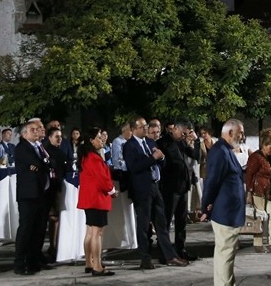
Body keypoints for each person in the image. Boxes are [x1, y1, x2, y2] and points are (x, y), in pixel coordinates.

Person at [199, 118, 250, 286]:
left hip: (226, 209)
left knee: (222, 252)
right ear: (230, 133)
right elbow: (211, 182)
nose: (242, 137)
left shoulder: (224, 150)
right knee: (226, 252)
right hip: (225, 211)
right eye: (240, 133)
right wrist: (205, 207)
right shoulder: (220, 152)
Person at [124, 116, 186, 269]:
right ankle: (145, 257)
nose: (145, 129)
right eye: (141, 127)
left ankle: (170, 256)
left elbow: (160, 162)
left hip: (155, 186)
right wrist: (153, 158)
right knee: (144, 225)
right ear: (132, 130)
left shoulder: (151, 143)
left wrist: (161, 157)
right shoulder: (129, 146)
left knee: (161, 223)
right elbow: (134, 168)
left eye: (146, 126)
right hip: (141, 189)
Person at [15, 118, 55, 275]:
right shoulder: (22, 148)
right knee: (26, 229)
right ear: (24, 134)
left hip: (41, 193)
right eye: (32, 130)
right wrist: (40, 164)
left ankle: (34, 260)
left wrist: (41, 164)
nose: (37, 132)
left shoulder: (39, 146)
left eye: (37, 129)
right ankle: (20, 262)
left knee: (39, 229)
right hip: (28, 195)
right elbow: (39, 164)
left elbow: (49, 163)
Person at [76, 127, 117, 276]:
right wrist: (112, 191)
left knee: (90, 231)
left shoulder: (85, 156)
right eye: (99, 137)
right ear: (91, 140)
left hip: (89, 199)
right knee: (97, 233)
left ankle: (89, 262)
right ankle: (97, 266)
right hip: (96, 199)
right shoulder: (93, 157)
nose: (102, 140)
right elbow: (103, 179)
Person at [156, 119, 196, 262]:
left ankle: (181, 249)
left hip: (183, 187)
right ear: (176, 129)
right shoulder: (163, 143)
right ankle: (164, 253)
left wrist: (196, 141)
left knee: (181, 221)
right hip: (169, 188)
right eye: (183, 133)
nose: (184, 136)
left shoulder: (181, 142)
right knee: (166, 221)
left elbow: (195, 155)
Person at [244, 129, 271, 254]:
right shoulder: (256, 157)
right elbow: (249, 175)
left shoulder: (266, 158)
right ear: (264, 145)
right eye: (270, 147)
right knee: (264, 216)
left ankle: (266, 244)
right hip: (257, 192)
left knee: (266, 216)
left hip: (265, 193)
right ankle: (268, 244)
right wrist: (249, 193)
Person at [43, 122, 69, 262]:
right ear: (49, 137)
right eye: (56, 137)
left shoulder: (59, 151)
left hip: (59, 186)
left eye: (60, 137)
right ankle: (53, 247)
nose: (59, 139)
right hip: (52, 188)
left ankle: (55, 246)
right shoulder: (47, 151)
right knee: (54, 218)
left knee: (56, 218)